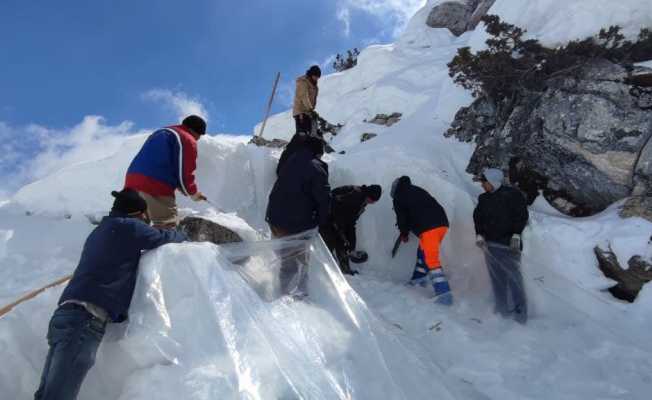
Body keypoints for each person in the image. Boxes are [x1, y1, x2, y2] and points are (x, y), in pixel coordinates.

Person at [34, 189, 187, 400]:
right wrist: (185, 233)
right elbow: (163, 238)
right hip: (84, 321)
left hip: (64, 317)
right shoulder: (129, 227)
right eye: (145, 217)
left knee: (47, 394)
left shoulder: (101, 231)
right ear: (139, 214)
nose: (146, 221)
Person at [266, 137, 331, 296]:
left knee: (286, 255)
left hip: (274, 217)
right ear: (319, 153)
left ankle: (288, 288)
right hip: (293, 223)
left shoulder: (291, 160)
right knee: (294, 262)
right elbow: (324, 199)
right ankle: (288, 296)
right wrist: (320, 222)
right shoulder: (316, 168)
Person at [124, 115, 207, 228]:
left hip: (131, 182)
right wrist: (193, 193)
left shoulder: (161, 133)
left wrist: (180, 186)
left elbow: (159, 161)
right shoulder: (186, 138)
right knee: (166, 225)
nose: (198, 139)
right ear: (195, 131)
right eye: (200, 135)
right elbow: (185, 171)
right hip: (155, 185)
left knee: (135, 226)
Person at [473, 168, 529, 324]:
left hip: (510, 245)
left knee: (513, 278)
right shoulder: (483, 198)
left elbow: (521, 215)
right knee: (497, 278)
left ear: (493, 181)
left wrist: (517, 234)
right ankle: (501, 308)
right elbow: (478, 218)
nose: (483, 185)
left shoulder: (512, 195)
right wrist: (479, 234)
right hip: (491, 245)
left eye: (485, 182)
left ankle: (520, 312)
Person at [391, 176, 452, 305]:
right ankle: (418, 279)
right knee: (422, 252)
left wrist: (404, 233)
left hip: (429, 227)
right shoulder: (416, 190)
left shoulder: (398, 197)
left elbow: (402, 218)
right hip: (442, 223)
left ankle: (444, 294)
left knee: (431, 260)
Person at [320, 185, 382, 275]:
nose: (372, 203)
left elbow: (351, 223)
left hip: (336, 220)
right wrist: (339, 227)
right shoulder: (355, 195)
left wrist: (352, 246)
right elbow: (335, 204)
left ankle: (345, 269)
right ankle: (324, 271)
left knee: (342, 243)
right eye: (372, 200)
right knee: (329, 243)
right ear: (369, 195)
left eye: (374, 201)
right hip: (327, 217)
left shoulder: (362, 200)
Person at [276, 66, 323, 176]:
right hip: (301, 112)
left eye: (318, 77)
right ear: (311, 74)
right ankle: (286, 161)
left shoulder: (315, 86)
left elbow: (312, 100)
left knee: (311, 136)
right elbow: (303, 97)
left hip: (308, 113)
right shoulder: (303, 82)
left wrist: (312, 112)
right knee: (301, 136)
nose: (316, 79)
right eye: (315, 76)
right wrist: (310, 110)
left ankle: (307, 161)